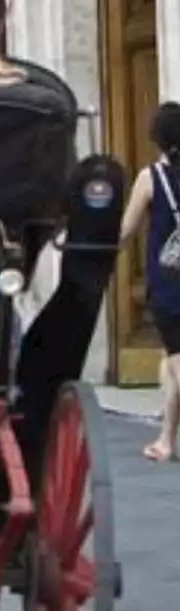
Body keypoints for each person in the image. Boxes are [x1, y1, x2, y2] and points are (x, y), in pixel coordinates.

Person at [122, 101, 180, 462]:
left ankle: (166, 440)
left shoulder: (151, 178)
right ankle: (165, 439)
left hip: (170, 284)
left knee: (177, 361)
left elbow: (126, 229)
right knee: (172, 363)